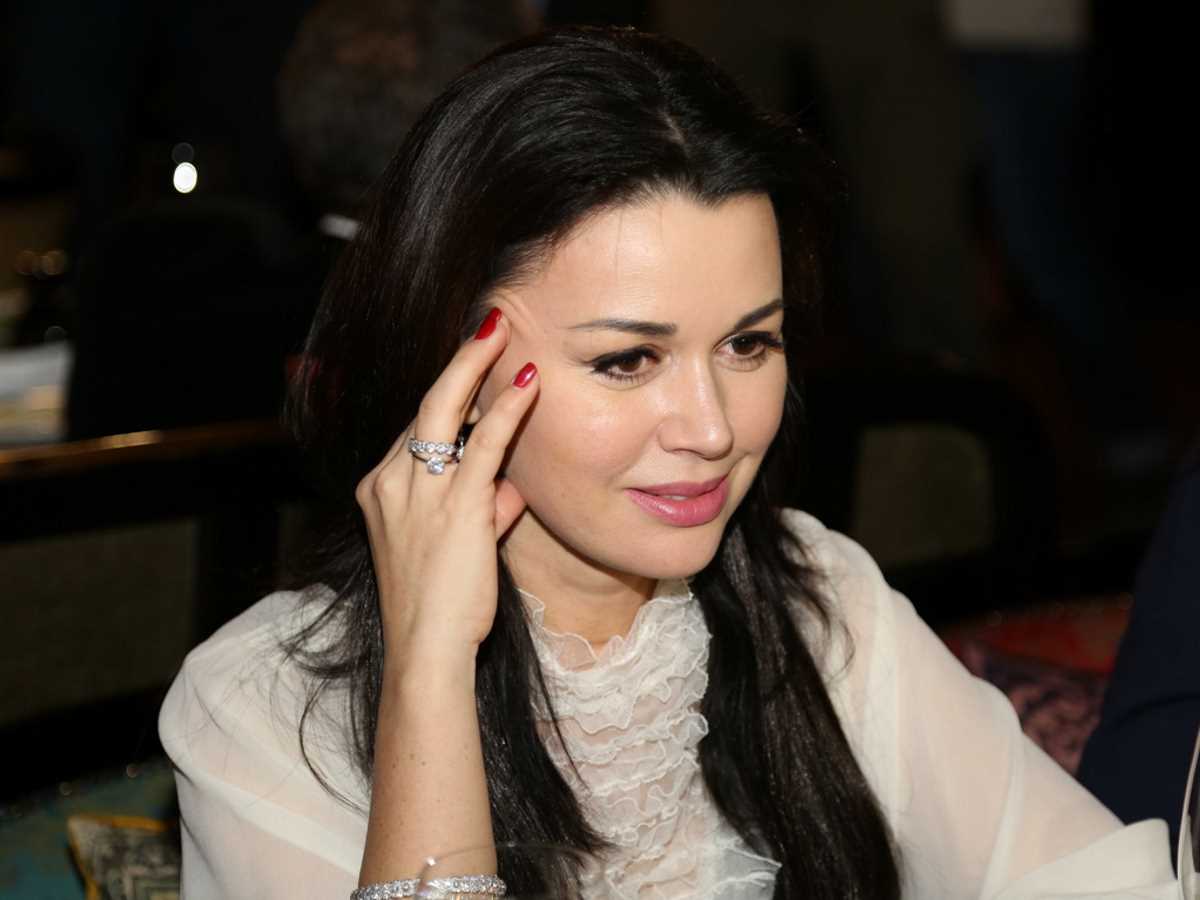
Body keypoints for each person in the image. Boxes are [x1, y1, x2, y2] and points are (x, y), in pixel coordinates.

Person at [159, 27, 1178, 899]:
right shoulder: (261, 710)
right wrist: (429, 668)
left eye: (749, 343)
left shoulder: (822, 604)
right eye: (628, 360)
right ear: (455, 364)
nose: (712, 427)